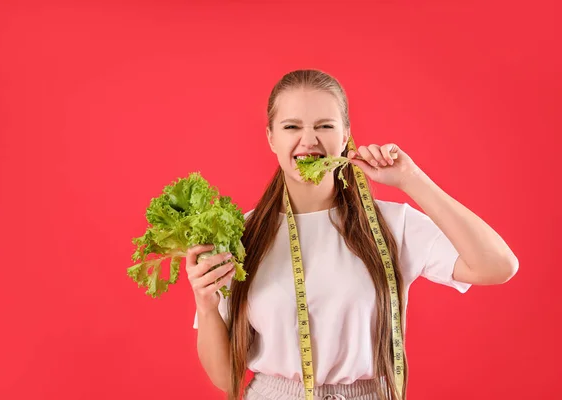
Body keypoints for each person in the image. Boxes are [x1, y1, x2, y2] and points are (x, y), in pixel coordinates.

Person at [187, 69, 519, 400]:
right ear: (271, 137)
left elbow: (498, 265)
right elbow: (224, 377)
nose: (309, 140)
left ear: (346, 134)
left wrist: (412, 180)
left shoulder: (392, 223)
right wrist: (205, 304)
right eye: (292, 127)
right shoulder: (241, 233)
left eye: (324, 126)